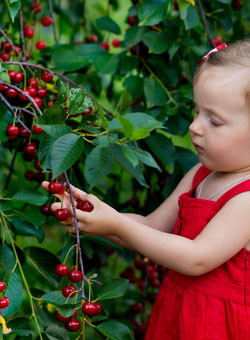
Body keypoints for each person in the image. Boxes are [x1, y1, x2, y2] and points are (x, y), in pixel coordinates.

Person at [42, 39, 250, 339]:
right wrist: (96, 217)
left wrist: (116, 225)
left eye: (214, 121)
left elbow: (196, 258)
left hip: (219, 328)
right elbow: (152, 228)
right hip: (179, 317)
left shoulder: (245, 199)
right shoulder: (200, 175)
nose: (194, 126)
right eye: (196, 112)